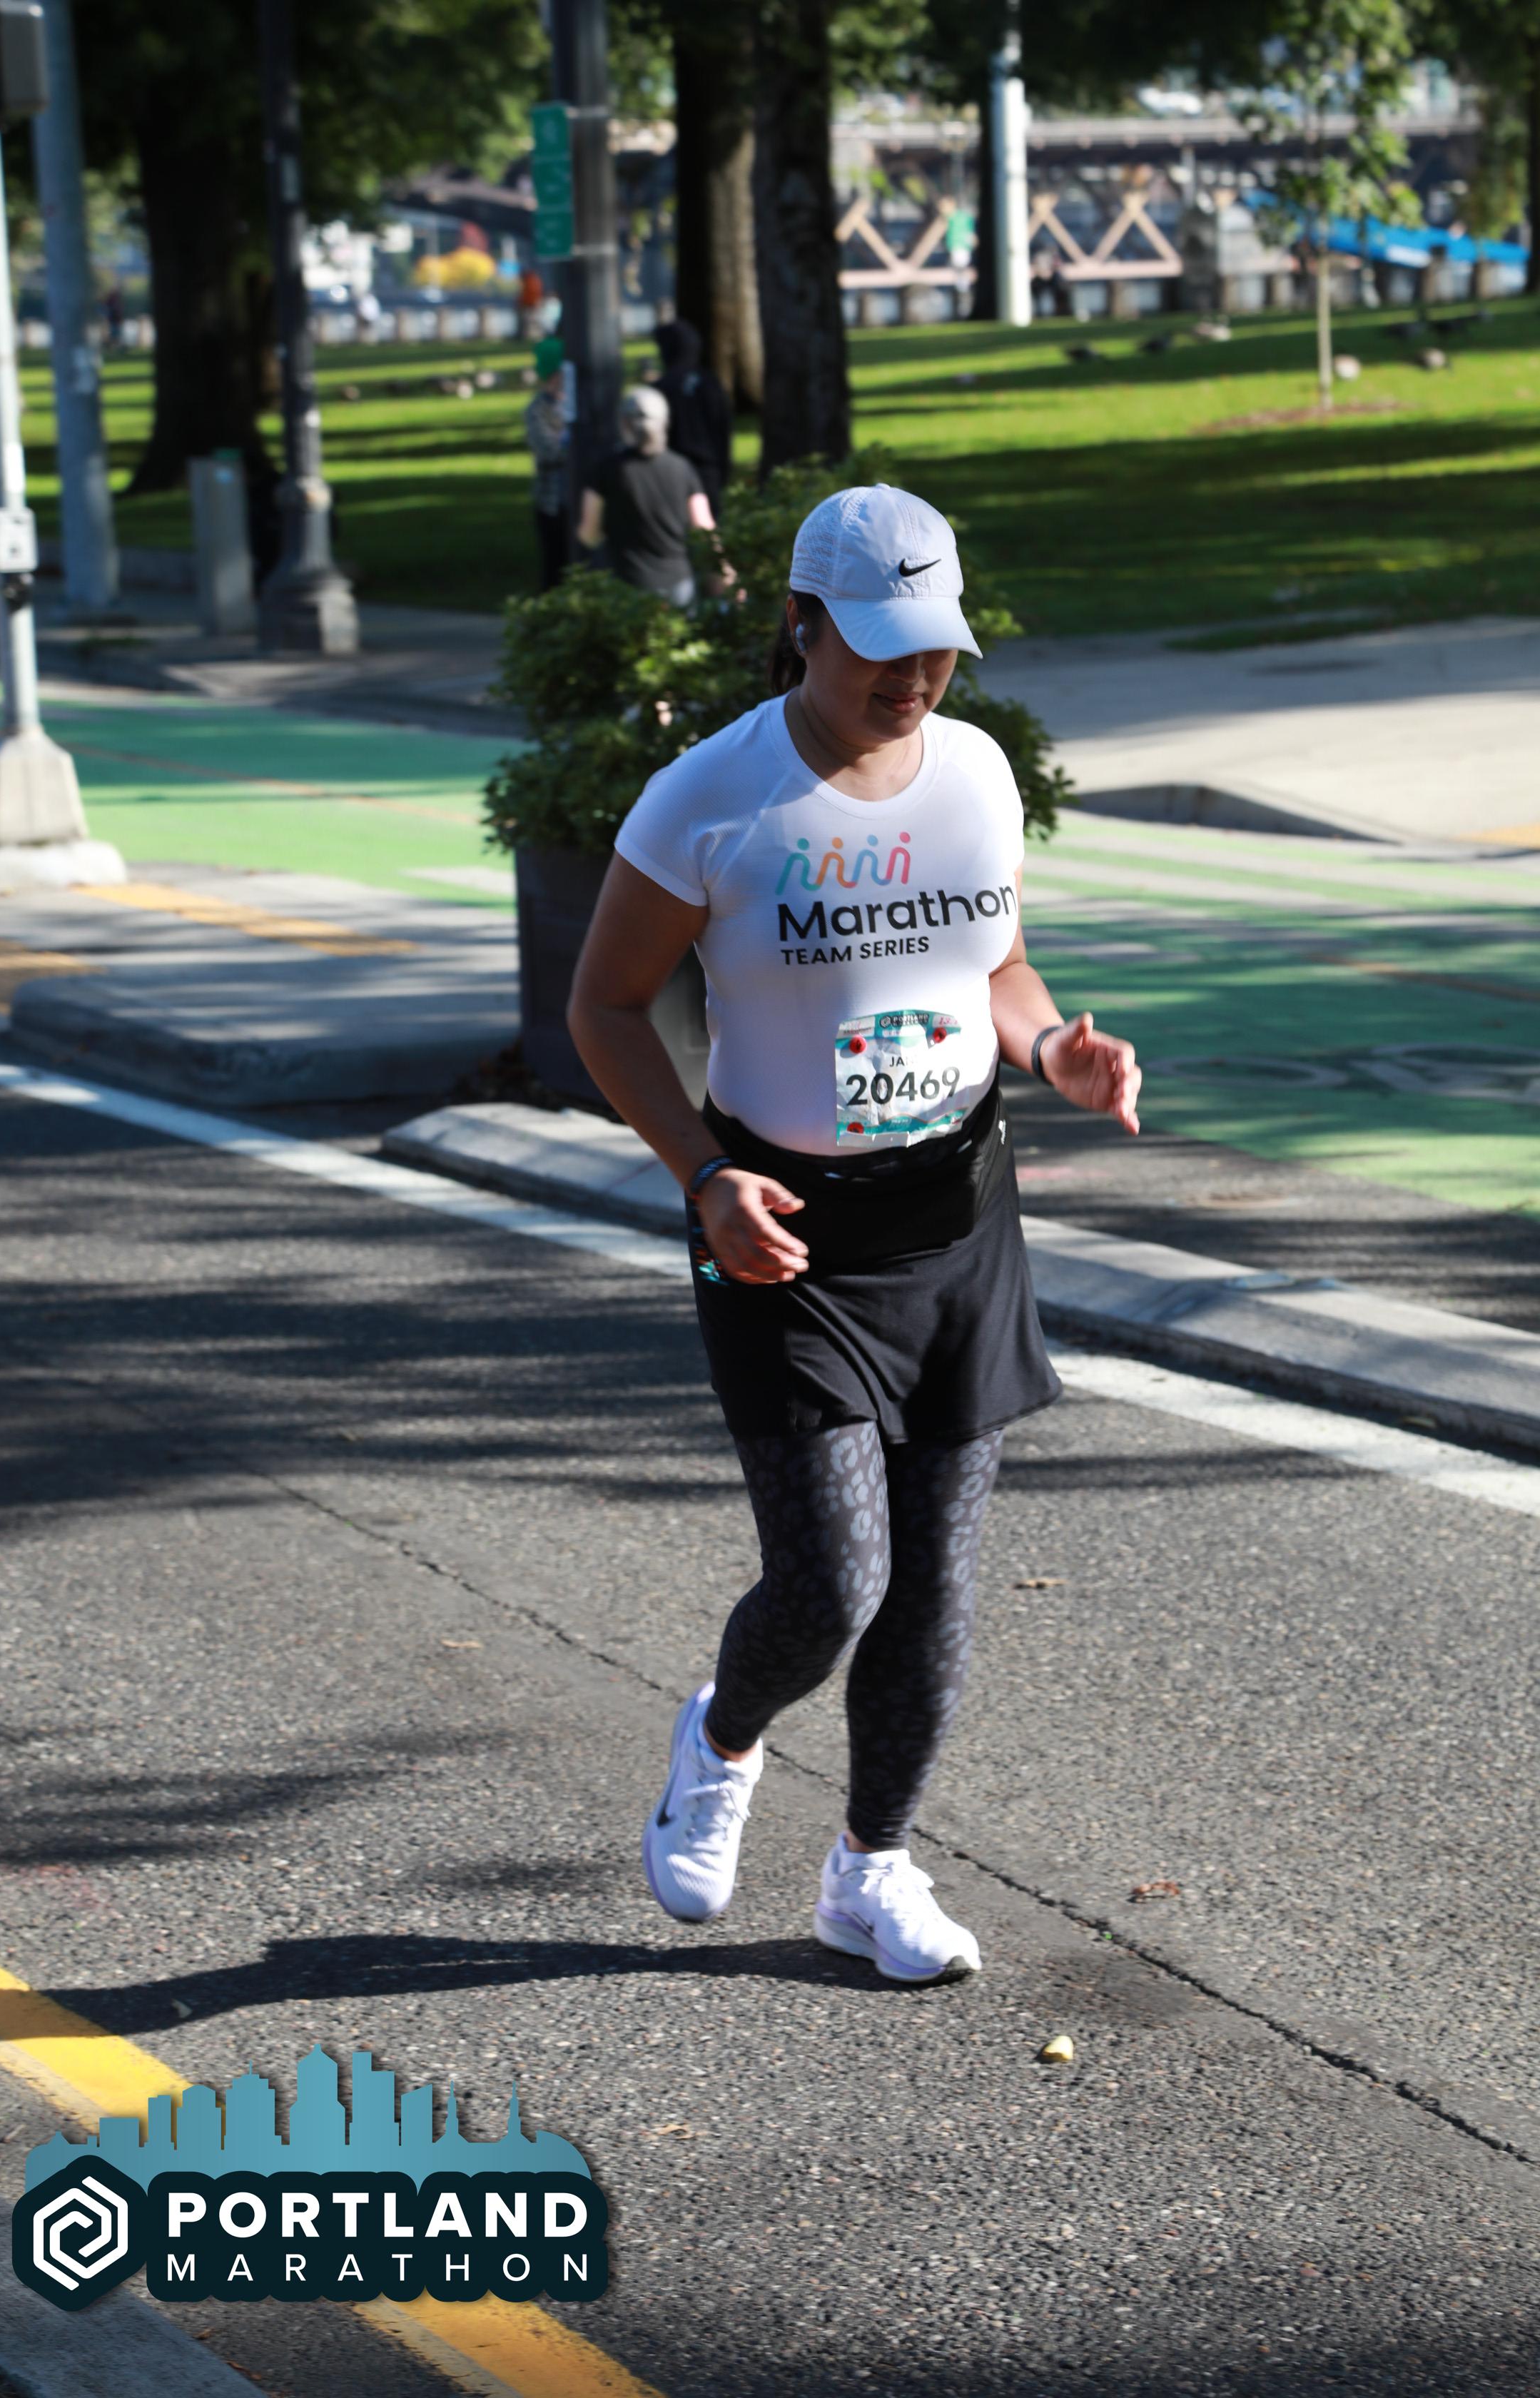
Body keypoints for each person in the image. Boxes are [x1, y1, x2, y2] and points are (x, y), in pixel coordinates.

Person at [567, 484, 1142, 1985]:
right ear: (802, 624)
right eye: (883, 645)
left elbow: (996, 966)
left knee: (934, 1590)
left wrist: (1050, 1051)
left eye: (936, 644)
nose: (915, 675)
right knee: (831, 1584)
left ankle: (870, 1872)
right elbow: (605, 1007)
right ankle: (722, 1739)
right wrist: (703, 1175)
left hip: (957, 1217)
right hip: (774, 1227)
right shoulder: (708, 799)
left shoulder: (977, 775)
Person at [577, 386, 716, 604]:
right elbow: (704, 528)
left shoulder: (606, 469)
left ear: (624, 423)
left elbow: (589, 533)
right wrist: (724, 574)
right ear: (665, 422)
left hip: (628, 583)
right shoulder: (683, 467)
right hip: (679, 584)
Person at [653, 318, 732, 515]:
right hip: (709, 470)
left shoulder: (662, 388)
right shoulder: (710, 382)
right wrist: (724, 469)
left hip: (672, 472)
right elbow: (724, 428)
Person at [524, 335, 571, 593]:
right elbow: (548, 451)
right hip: (552, 500)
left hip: (579, 498)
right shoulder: (537, 409)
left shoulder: (576, 404)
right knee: (555, 565)